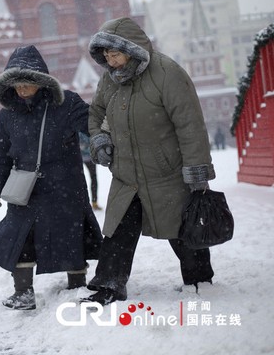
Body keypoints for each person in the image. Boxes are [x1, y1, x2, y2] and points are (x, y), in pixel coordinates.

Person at [81, 17, 216, 305]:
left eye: (114, 53)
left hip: (166, 172)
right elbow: (95, 114)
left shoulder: (167, 73)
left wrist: (196, 171)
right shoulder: (109, 78)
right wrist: (99, 139)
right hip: (126, 174)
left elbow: (189, 124)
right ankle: (108, 285)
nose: (109, 59)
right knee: (117, 230)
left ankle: (199, 280)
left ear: (132, 50)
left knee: (182, 229)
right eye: (105, 54)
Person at [0, 45, 102, 310]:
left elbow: (94, 125)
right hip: (25, 188)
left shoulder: (66, 103)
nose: (21, 89)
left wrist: (105, 143)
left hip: (65, 184)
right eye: (16, 84)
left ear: (41, 82)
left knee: (71, 234)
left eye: (26, 83)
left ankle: (76, 285)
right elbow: (1, 154)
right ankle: (23, 292)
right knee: (20, 236)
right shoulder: (7, 115)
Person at [78, 132, 102, 210]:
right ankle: (88, 203)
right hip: (82, 157)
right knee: (85, 179)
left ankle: (94, 203)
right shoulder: (84, 127)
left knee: (92, 178)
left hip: (87, 157)